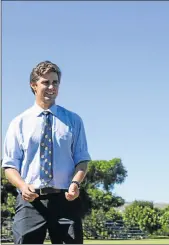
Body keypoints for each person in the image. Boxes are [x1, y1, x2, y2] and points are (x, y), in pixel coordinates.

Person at [2, 60, 92, 244]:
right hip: (30, 202)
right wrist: (21, 186)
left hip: (66, 199)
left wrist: (75, 182)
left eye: (55, 82)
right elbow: (10, 166)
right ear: (34, 85)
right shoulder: (18, 123)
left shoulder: (74, 121)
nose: (51, 87)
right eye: (46, 82)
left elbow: (82, 160)